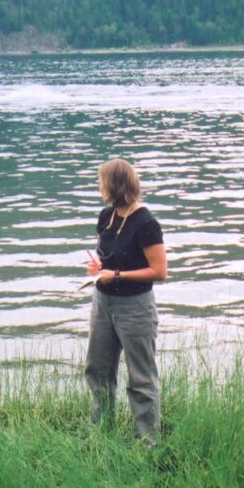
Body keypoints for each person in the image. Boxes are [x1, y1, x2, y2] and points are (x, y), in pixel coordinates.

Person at [84, 158, 167, 445]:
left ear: (115, 185)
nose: (99, 186)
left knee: (141, 378)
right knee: (97, 370)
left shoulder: (146, 222)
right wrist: (98, 270)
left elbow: (159, 271)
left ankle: (148, 444)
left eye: (101, 181)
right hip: (103, 303)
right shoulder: (106, 216)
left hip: (135, 308)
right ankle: (100, 436)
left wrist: (116, 274)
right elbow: (108, 256)